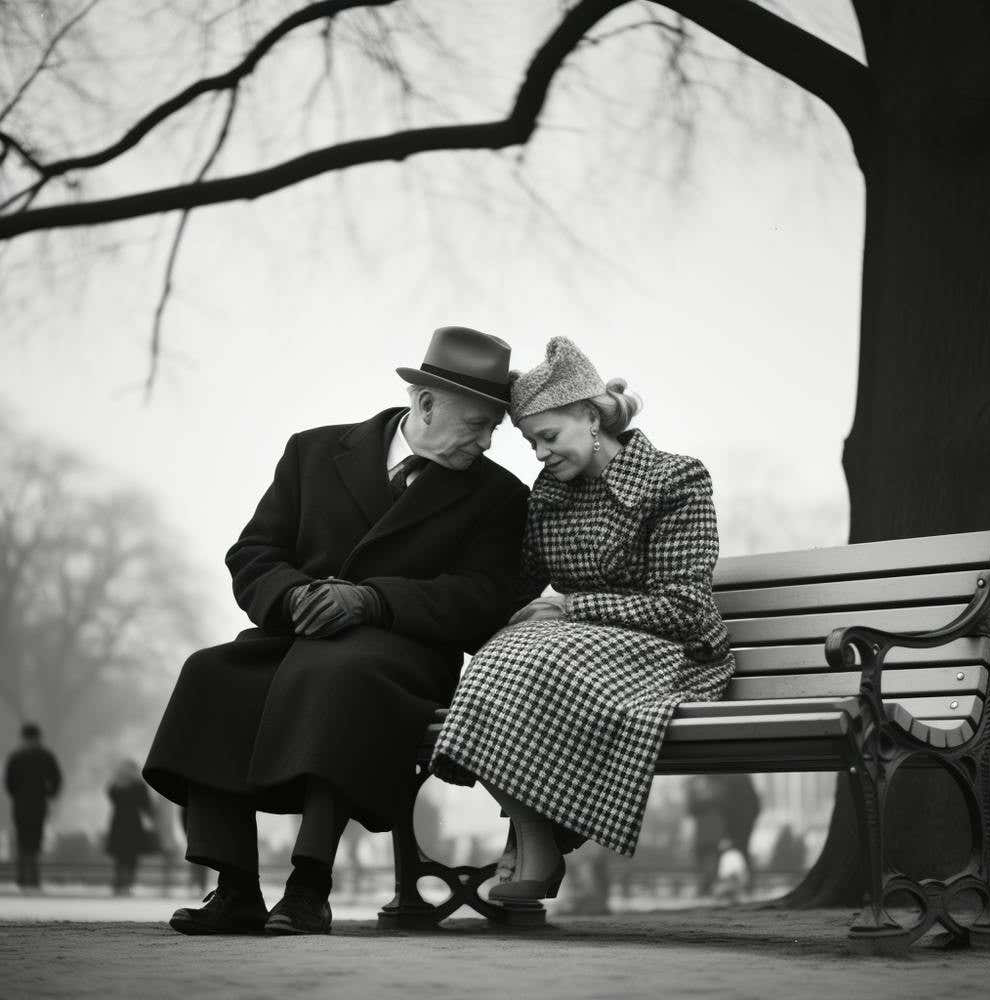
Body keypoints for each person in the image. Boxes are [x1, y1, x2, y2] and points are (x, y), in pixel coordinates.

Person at [143, 326, 528, 935]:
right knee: (210, 673)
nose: (485, 442)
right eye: (477, 424)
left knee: (340, 676)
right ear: (425, 405)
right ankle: (235, 886)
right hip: (296, 635)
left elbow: (485, 596)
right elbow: (254, 552)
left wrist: (373, 600)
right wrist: (294, 596)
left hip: (404, 656)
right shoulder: (314, 452)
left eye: (492, 429)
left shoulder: (500, 497)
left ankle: (308, 887)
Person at [431, 336, 736, 903]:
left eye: (549, 437)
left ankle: (532, 844)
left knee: (527, 653)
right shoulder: (551, 492)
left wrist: (573, 607)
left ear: (592, 418)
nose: (540, 454)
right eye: (530, 442)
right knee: (496, 654)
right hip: (580, 657)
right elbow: (519, 585)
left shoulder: (676, 480)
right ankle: (531, 837)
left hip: (673, 654)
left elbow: (686, 609)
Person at [4, 723, 62, 890]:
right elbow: (57, 779)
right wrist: (50, 794)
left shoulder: (16, 757)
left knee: (24, 841)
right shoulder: (46, 756)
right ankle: (33, 878)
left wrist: (16, 794)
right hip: (38, 803)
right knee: (34, 841)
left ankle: (23, 878)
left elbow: (9, 782)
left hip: (21, 804)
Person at [105, 759, 158, 895]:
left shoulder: (115, 786)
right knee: (132, 856)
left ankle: (118, 883)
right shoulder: (138, 786)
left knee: (120, 856)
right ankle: (128, 883)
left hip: (117, 823)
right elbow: (146, 806)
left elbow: (111, 796)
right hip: (133, 824)